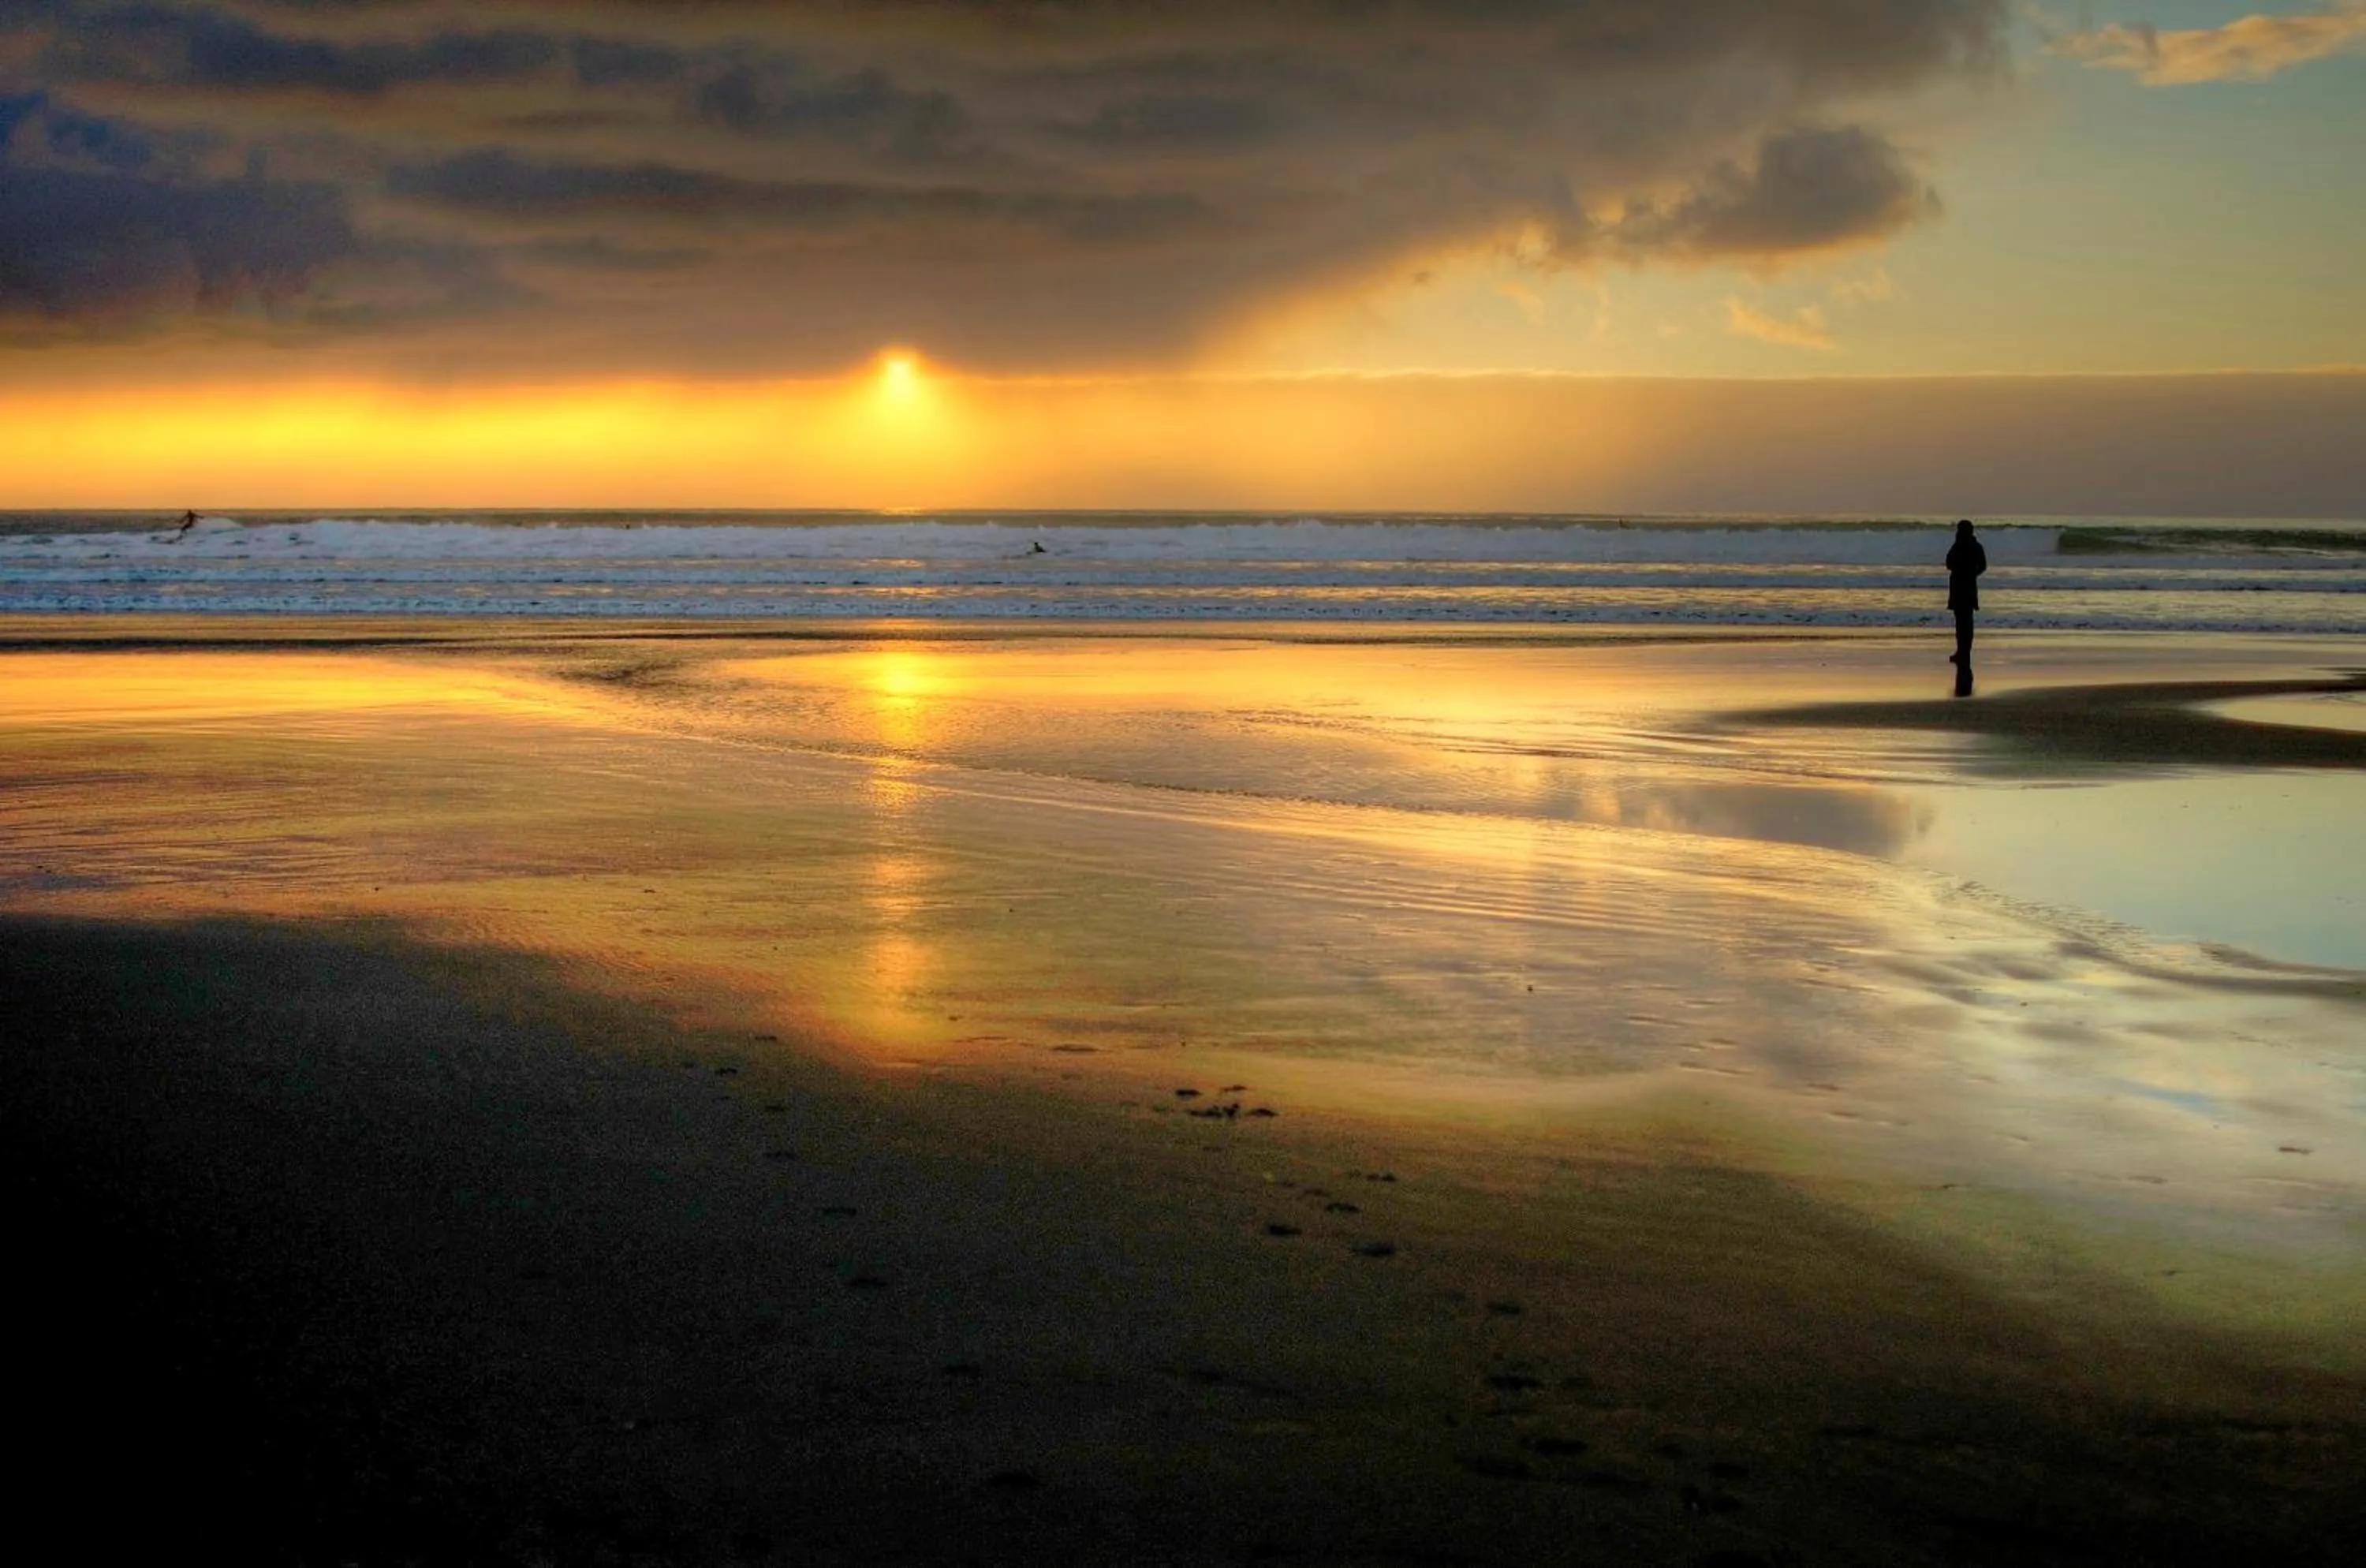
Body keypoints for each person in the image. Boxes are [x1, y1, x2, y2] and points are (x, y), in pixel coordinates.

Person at [1945, 519, 1985, 668]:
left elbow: (1948, 563)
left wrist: (1968, 573)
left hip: (1960, 586)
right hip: (1967, 585)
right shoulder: (1975, 546)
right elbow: (1983, 566)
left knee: (1962, 623)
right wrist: (1973, 574)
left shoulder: (1959, 546)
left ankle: (1963, 651)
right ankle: (1964, 651)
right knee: (1966, 622)